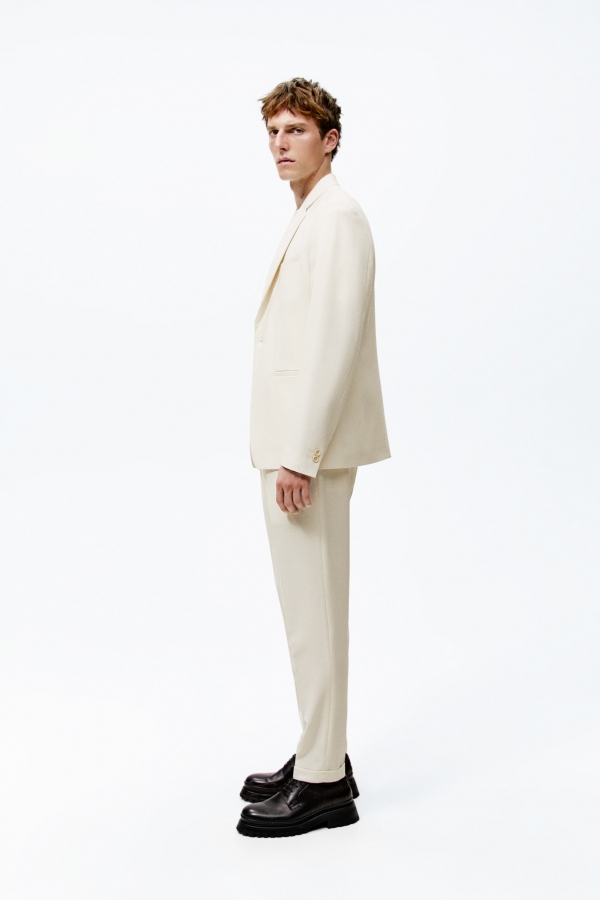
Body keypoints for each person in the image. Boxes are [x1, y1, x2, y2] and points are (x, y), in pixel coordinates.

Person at [237, 78, 390, 838]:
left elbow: (333, 344)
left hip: (309, 455)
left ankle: (324, 782)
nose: (281, 144)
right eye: (273, 132)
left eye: (296, 130)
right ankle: (318, 751)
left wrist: (300, 454)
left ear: (330, 139)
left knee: (315, 617)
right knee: (307, 614)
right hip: (295, 448)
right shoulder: (310, 215)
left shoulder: (339, 218)